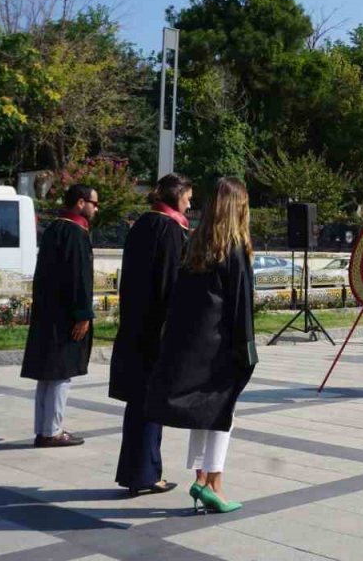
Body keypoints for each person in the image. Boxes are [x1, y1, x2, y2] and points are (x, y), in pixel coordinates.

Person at [145, 177, 257, 514]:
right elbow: (241, 307)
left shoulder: (195, 245)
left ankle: (200, 479)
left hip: (192, 344)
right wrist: (247, 351)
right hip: (220, 347)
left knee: (203, 415)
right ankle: (214, 485)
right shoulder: (235, 248)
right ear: (239, 207)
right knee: (223, 415)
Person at [109, 173, 192, 495]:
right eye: (188, 196)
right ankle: (145, 473)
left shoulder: (142, 225)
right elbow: (170, 286)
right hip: (156, 329)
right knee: (148, 402)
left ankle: (136, 471)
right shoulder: (169, 229)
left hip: (135, 324)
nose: (190, 202)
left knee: (138, 403)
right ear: (178, 194)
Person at [21, 184, 98, 448]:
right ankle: (52, 431)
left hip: (48, 311)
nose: (96, 208)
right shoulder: (75, 232)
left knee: (48, 375)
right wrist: (83, 314)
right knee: (60, 374)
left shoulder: (55, 228)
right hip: (65, 315)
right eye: (94, 203)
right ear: (80, 202)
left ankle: (44, 428)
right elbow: (79, 278)